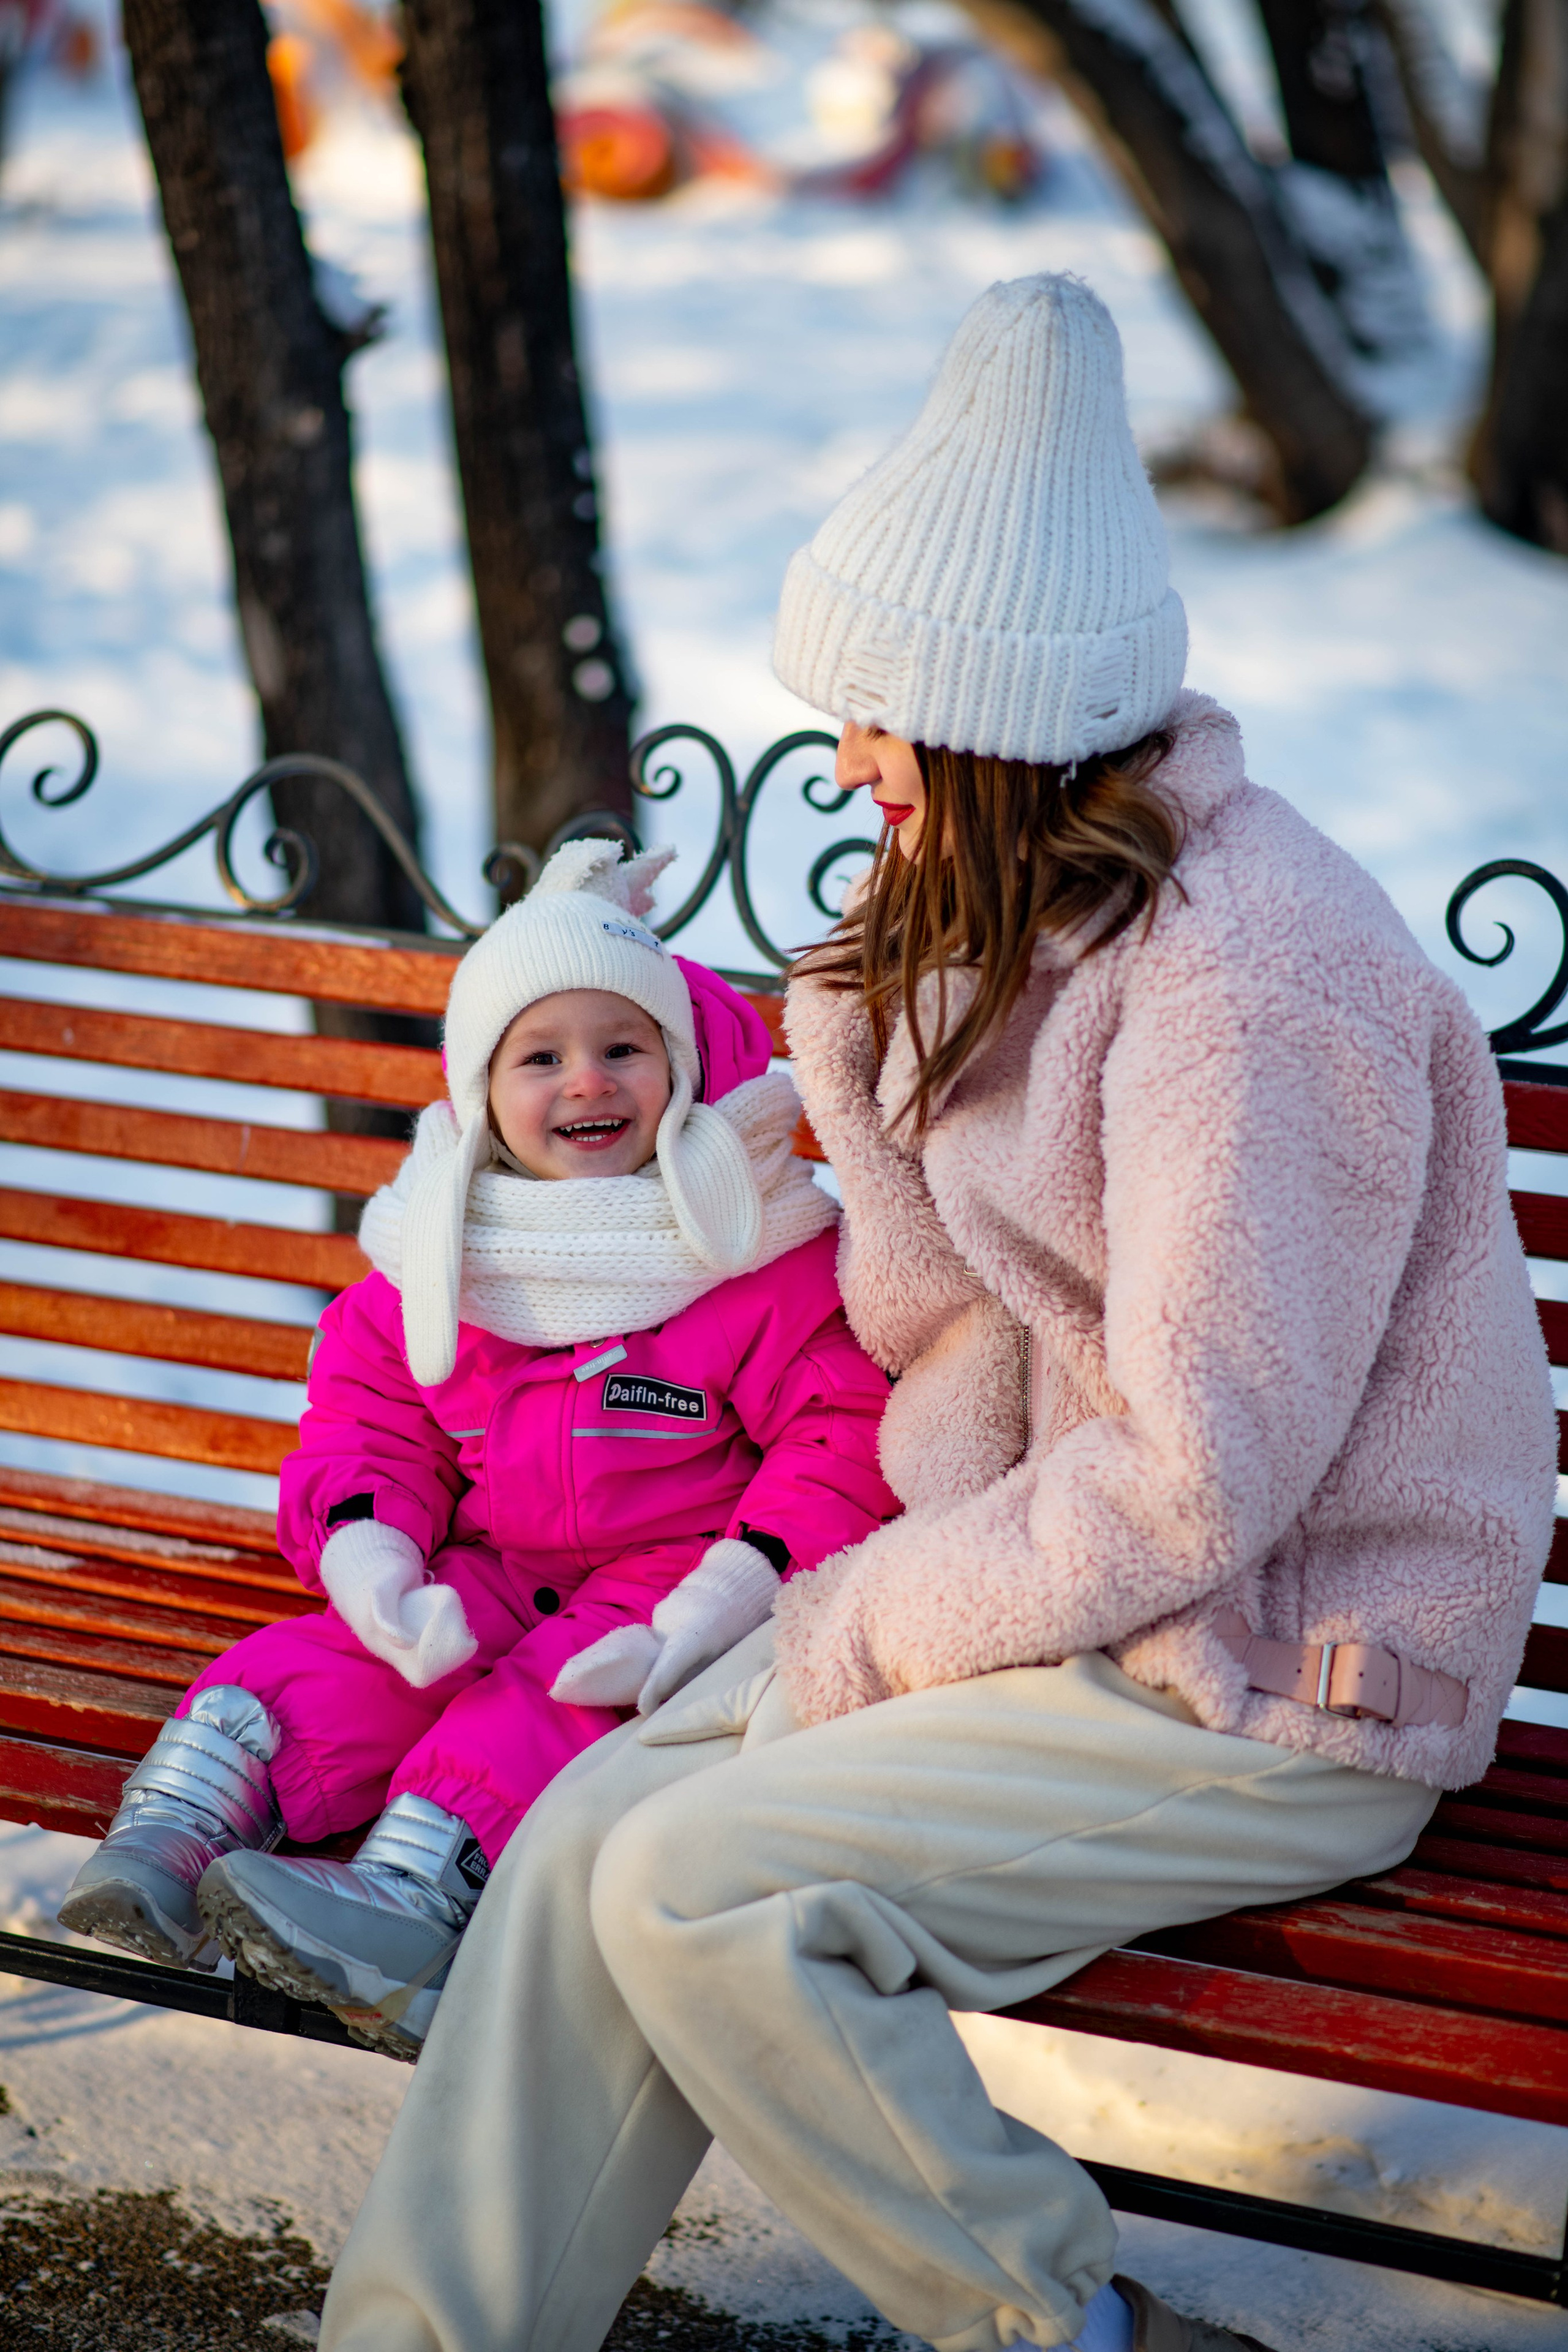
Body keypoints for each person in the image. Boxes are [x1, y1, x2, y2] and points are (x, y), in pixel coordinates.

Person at [316, 275, 1556, 2351]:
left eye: (878, 709)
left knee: (701, 1887)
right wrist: (869, 1085)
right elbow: (964, 1357)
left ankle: (1061, 2331)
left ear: (990, 713)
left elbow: (1194, 1475)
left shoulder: (1250, 986)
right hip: (1087, 1623)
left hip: (1279, 1687)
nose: (848, 754)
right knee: (588, 1822)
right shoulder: (1040, 934)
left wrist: (862, 1633)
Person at [59, 838, 898, 2059]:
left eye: (622, 1048)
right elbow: (371, 1422)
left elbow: (839, 1435)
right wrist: (375, 1559)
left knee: (542, 1706)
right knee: (345, 1662)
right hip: (491, 1562)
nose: (584, 1085)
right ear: (478, 1090)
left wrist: (724, 1596)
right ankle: (181, 1821)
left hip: (667, 1587)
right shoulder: (447, 1249)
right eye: (539, 1058)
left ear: (676, 1065)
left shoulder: (752, 1251)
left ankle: (407, 1899)